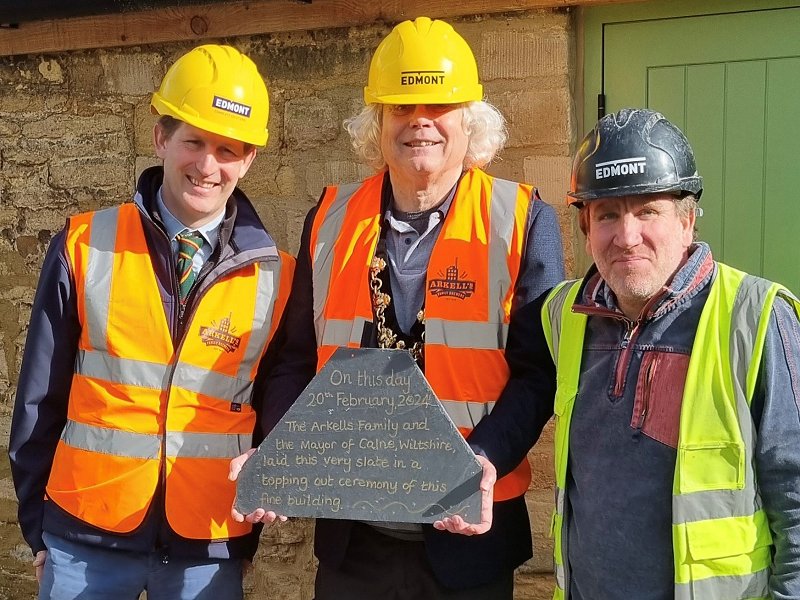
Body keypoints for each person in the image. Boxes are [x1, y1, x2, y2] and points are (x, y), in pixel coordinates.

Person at [229, 15, 564, 600]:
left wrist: (483, 460)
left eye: (439, 106)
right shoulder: (329, 219)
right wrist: (282, 452)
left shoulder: (522, 219)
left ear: (469, 121)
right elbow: (296, 360)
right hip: (354, 538)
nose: (419, 121)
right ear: (378, 123)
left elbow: (538, 374)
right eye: (401, 107)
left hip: (468, 538)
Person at [465, 107, 800, 598]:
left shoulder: (754, 318)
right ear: (586, 228)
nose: (626, 237)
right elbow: (523, 392)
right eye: (607, 214)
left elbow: (795, 495)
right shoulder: (563, 315)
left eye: (647, 211)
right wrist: (483, 455)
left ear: (687, 221)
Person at [8, 44, 294, 599]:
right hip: (84, 536)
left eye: (227, 149)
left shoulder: (278, 276)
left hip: (207, 543)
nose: (207, 166)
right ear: (161, 138)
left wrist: (248, 528)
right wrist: (38, 529)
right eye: (193, 142)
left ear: (249, 160)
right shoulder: (84, 244)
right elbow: (39, 395)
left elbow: (275, 404)